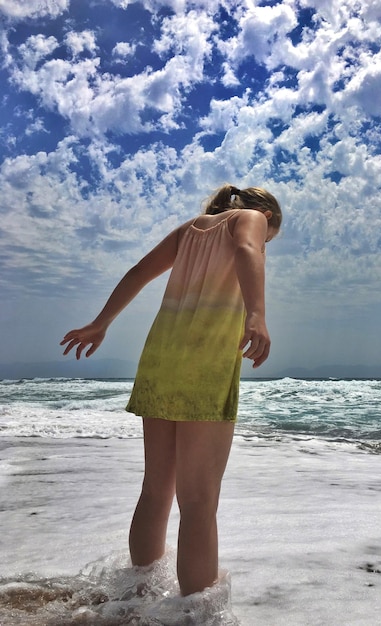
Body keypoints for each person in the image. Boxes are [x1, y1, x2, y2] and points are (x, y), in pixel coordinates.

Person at [60, 183, 282, 597]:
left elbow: (139, 272)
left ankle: (138, 592)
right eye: (270, 239)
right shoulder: (250, 219)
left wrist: (100, 323)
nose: (263, 242)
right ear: (266, 217)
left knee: (156, 489)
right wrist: (256, 314)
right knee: (198, 501)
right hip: (205, 365)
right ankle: (196, 614)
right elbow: (248, 252)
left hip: (160, 361)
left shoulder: (190, 230)